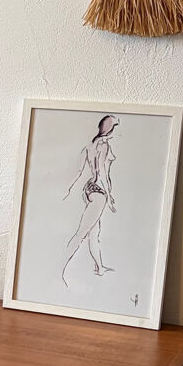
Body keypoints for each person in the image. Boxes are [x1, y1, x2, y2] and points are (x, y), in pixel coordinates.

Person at [62, 115, 119, 285]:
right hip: (99, 191)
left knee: (94, 233)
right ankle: (60, 268)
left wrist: (70, 189)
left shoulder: (90, 146)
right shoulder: (104, 145)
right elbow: (102, 172)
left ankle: (99, 268)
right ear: (110, 128)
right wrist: (109, 196)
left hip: (89, 189)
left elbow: (79, 171)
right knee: (82, 233)